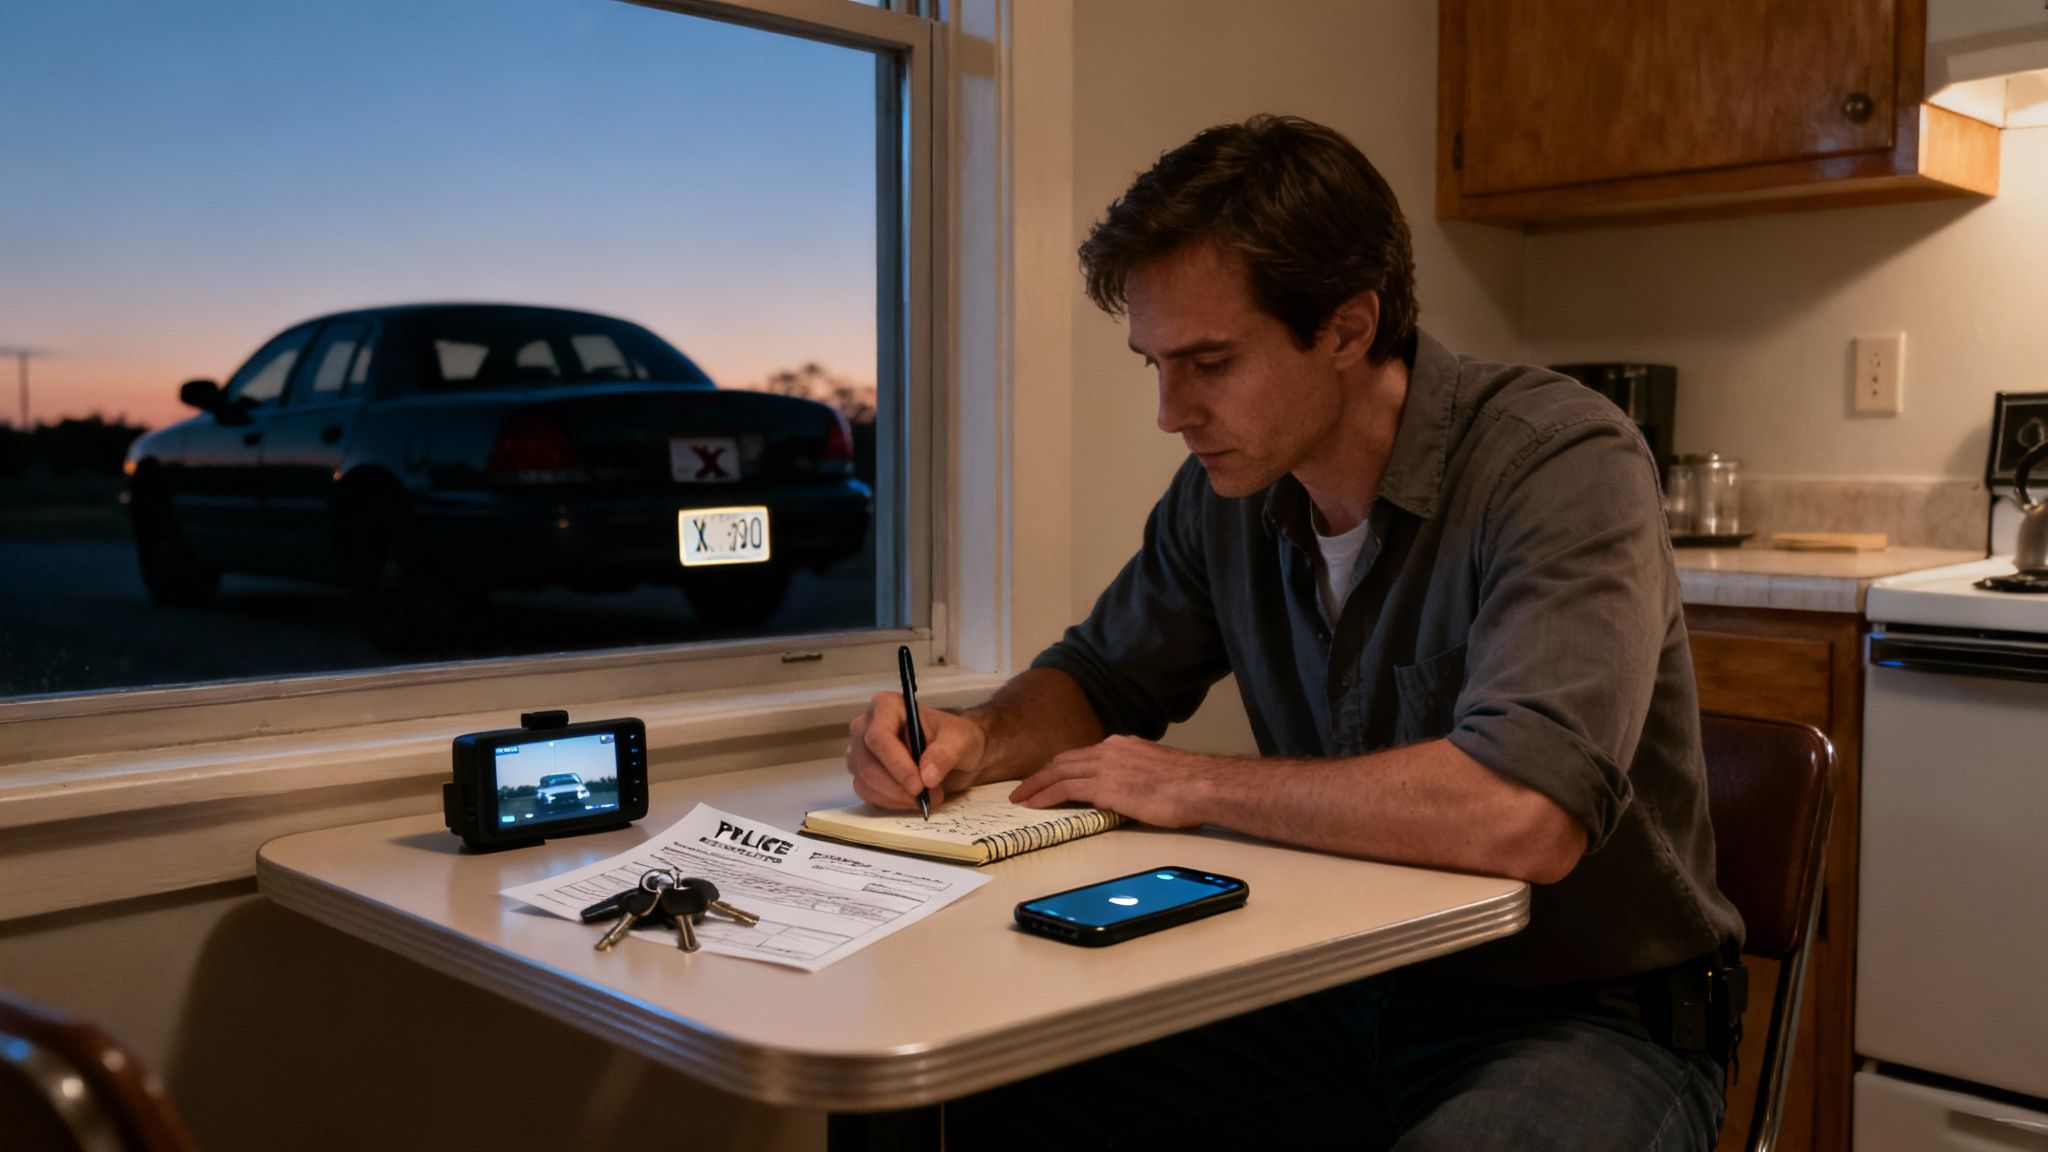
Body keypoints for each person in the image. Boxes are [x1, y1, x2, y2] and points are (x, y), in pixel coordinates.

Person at [843, 114, 1743, 1150]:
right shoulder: (1224, 495)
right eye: (1154, 365)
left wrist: (1197, 785)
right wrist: (974, 739)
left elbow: (1522, 816)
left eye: (1210, 362)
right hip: (1340, 986)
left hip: (1583, 1015)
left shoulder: (1559, 463)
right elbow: (1101, 677)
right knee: (987, 1089)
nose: (1170, 412)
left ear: (1348, 328)